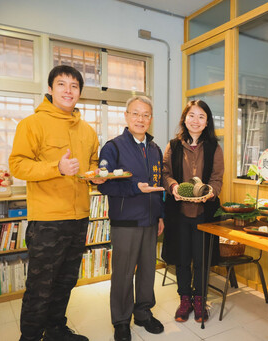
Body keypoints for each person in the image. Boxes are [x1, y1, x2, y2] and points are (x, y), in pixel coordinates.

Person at [9, 65, 104, 341]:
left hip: (79, 217)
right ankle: (29, 337)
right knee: (41, 285)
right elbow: (17, 165)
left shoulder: (87, 130)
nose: (68, 90)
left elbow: (92, 164)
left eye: (74, 86)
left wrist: (96, 176)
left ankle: (55, 330)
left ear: (79, 93)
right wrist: (57, 167)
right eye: (62, 84)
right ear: (50, 89)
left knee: (66, 280)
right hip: (48, 219)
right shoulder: (32, 123)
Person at [97, 96, 165, 341]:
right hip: (125, 222)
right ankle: (121, 320)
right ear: (126, 116)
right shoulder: (113, 147)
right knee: (124, 273)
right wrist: (136, 188)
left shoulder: (155, 149)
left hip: (150, 220)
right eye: (135, 113)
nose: (140, 119)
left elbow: (158, 186)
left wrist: (160, 216)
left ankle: (144, 313)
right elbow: (105, 187)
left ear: (151, 119)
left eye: (146, 114)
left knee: (148, 270)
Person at [161, 99, 224, 323]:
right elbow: (165, 173)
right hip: (178, 213)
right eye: (191, 115)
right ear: (184, 119)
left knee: (201, 259)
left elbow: (217, 179)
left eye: (201, 116)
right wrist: (173, 186)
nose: (195, 120)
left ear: (207, 122)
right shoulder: (173, 146)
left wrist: (212, 192)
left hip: (204, 215)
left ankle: (200, 299)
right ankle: (184, 299)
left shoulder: (215, 147)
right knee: (181, 258)